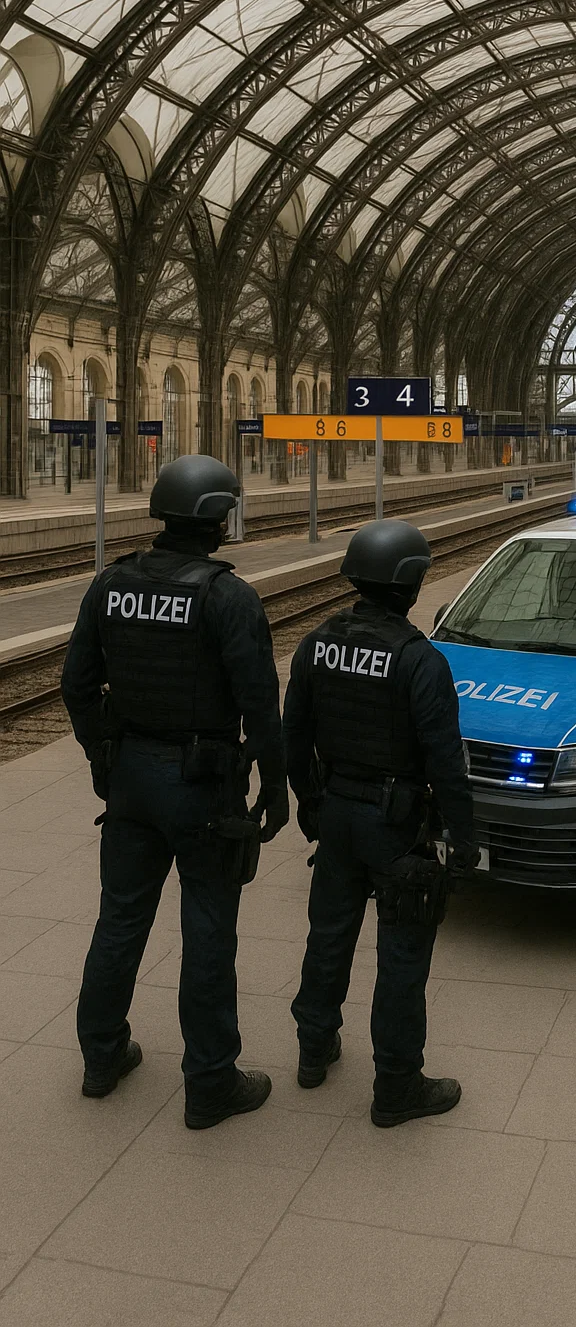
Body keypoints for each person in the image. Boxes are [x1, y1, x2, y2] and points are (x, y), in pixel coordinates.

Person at [61, 454, 289, 1129]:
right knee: (208, 928)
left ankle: (102, 1058)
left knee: (119, 920)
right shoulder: (228, 597)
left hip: (131, 779)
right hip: (204, 787)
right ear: (215, 519)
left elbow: (77, 685)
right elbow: (260, 704)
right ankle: (211, 1082)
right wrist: (276, 786)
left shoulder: (111, 584)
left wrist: (104, 755)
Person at [283, 518, 479, 1125]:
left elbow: (294, 735)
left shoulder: (316, 644)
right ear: (411, 584)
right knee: (401, 956)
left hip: (337, 815)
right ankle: (396, 1086)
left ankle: (313, 1050)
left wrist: (310, 800)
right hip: (397, 827)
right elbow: (445, 763)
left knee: (327, 937)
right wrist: (463, 838)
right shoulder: (420, 661)